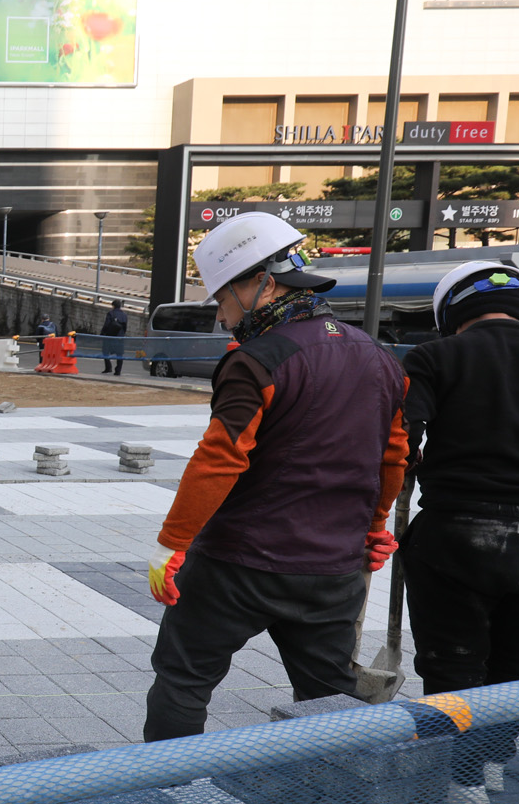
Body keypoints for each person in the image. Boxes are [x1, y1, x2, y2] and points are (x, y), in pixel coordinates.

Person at [142, 214, 407, 741]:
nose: (221, 316)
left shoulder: (258, 360)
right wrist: (373, 526)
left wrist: (172, 543)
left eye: (221, 298)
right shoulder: (380, 358)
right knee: (328, 696)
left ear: (259, 281)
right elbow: (393, 457)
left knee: (184, 677)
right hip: (332, 568)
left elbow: (220, 457)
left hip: (238, 565)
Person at [399, 260, 519, 804]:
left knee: (454, 659)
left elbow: (400, 440)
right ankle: (494, 761)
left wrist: (391, 489)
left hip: (459, 530)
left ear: (450, 313)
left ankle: (461, 779)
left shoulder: (435, 356)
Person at [100, 299, 129, 375]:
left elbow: (106, 325)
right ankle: (118, 370)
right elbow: (125, 327)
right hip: (120, 338)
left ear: (113, 305)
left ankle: (108, 367)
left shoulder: (110, 314)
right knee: (119, 355)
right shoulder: (124, 315)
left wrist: (102, 333)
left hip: (110, 337)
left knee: (105, 352)